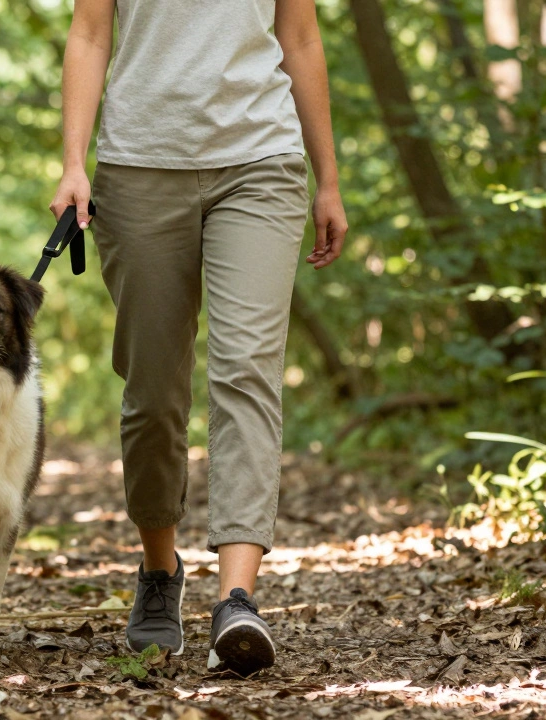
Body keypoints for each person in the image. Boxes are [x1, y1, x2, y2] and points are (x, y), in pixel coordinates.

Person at [49, 0, 348, 675]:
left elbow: (299, 38)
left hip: (261, 162)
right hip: (139, 169)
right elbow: (90, 33)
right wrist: (73, 162)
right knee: (153, 391)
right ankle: (160, 571)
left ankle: (236, 600)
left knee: (246, 369)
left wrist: (328, 179)